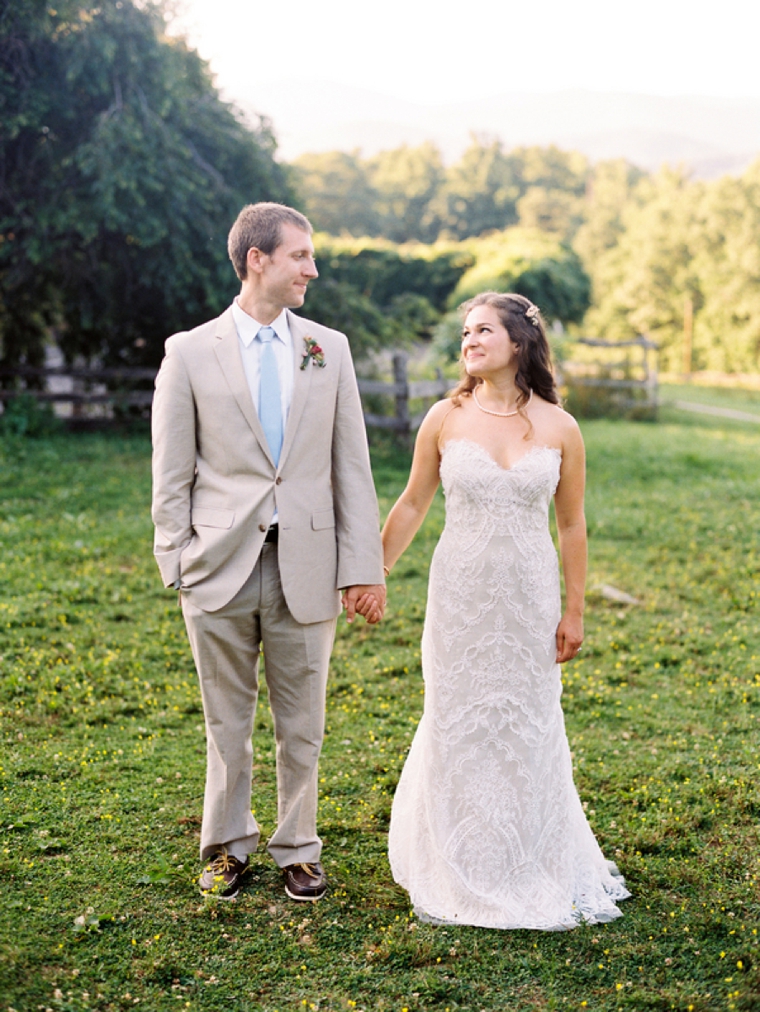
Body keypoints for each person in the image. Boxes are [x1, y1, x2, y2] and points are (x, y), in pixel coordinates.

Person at [151, 202, 385, 901]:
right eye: (301, 256)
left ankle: (298, 848)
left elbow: (353, 468)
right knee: (226, 720)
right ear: (259, 260)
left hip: (307, 564)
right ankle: (227, 846)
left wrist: (361, 567)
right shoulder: (188, 353)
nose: (312, 269)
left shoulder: (328, 348)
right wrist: (178, 563)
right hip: (216, 567)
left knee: (302, 721)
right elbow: (172, 473)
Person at [381, 291, 629, 929]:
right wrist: (370, 569)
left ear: (518, 342)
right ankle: (458, 855)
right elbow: (412, 504)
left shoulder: (559, 427)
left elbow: (572, 526)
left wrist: (574, 611)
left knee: (526, 719)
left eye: (483, 330)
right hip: (459, 596)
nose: (469, 341)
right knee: (457, 715)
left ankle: (529, 855)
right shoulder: (444, 416)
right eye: (465, 331)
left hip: (528, 596)